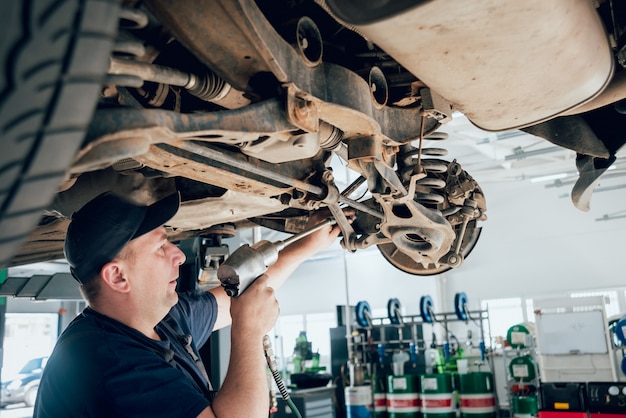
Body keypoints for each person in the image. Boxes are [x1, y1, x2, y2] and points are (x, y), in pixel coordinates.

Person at [33, 191, 344, 418]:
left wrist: (307, 244)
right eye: (160, 247)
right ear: (118, 276)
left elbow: (235, 297)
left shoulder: (161, 320)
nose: (179, 255)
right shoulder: (109, 367)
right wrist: (248, 333)